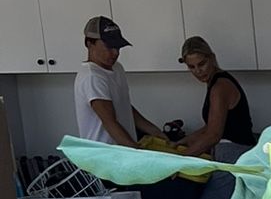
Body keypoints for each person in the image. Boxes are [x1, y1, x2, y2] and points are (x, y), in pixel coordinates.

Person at [73, 16, 165, 150]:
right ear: (89, 44)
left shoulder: (117, 68)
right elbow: (109, 122)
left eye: (118, 47)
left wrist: (156, 132)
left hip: (121, 152)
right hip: (105, 155)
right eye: (109, 47)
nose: (115, 53)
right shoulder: (92, 77)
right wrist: (136, 151)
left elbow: (124, 107)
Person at [177, 36, 257, 156]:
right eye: (192, 67)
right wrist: (187, 139)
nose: (198, 71)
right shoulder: (215, 81)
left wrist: (179, 160)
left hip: (236, 152)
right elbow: (212, 125)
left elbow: (213, 135)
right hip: (230, 150)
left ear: (212, 58)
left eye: (202, 64)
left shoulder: (220, 87)